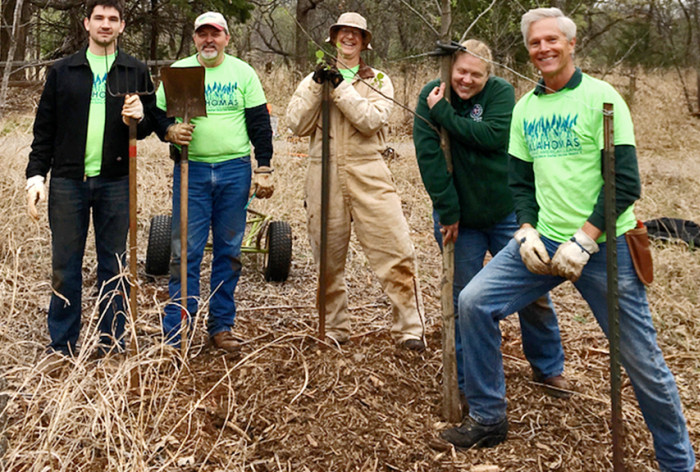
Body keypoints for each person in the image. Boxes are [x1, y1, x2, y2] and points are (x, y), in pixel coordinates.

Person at [439, 8, 696, 472]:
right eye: (536, 43)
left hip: (605, 249)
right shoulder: (526, 109)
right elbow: (520, 181)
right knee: (474, 301)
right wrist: (526, 228)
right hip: (542, 243)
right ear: (529, 50)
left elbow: (626, 182)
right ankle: (488, 417)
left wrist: (586, 237)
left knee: (641, 361)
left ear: (571, 44)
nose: (544, 49)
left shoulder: (602, 98)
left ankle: (677, 462)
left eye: (552, 40)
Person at [412, 39, 569, 400]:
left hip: (505, 211)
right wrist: (448, 210)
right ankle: (469, 382)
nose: (466, 80)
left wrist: (445, 116)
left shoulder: (500, 93)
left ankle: (547, 367)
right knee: (465, 300)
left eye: (475, 75)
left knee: (534, 287)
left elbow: (493, 137)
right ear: (451, 68)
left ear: (489, 75)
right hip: (459, 219)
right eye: (461, 72)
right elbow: (428, 156)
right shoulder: (432, 94)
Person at [26, 0, 168, 363]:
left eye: (113, 19)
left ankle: (111, 340)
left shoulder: (133, 69)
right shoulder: (63, 71)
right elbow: (44, 129)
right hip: (69, 182)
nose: (106, 25)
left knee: (114, 264)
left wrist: (141, 116)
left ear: (121, 26)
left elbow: (151, 122)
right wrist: (36, 176)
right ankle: (62, 344)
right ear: (87, 23)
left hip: (116, 182)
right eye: (99, 18)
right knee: (65, 265)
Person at [285, 12, 426, 351]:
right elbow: (295, 124)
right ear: (334, 38)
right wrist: (319, 86)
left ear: (364, 41)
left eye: (356, 34)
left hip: (369, 169)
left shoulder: (378, 79)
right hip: (324, 170)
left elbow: (370, 119)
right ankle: (334, 327)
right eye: (343, 32)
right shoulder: (313, 79)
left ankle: (409, 329)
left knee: (394, 248)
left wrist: (339, 87)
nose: (349, 38)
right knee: (327, 258)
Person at [157, 11, 274, 353]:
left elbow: (259, 124)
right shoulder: (180, 73)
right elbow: (154, 113)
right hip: (189, 170)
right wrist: (169, 131)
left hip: (234, 171)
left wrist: (263, 166)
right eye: (202, 34)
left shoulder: (242, 73)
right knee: (185, 253)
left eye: (215, 34)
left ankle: (221, 326)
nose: (209, 40)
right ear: (194, 38)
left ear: (226, 37)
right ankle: (177, 331)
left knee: (229, 251)